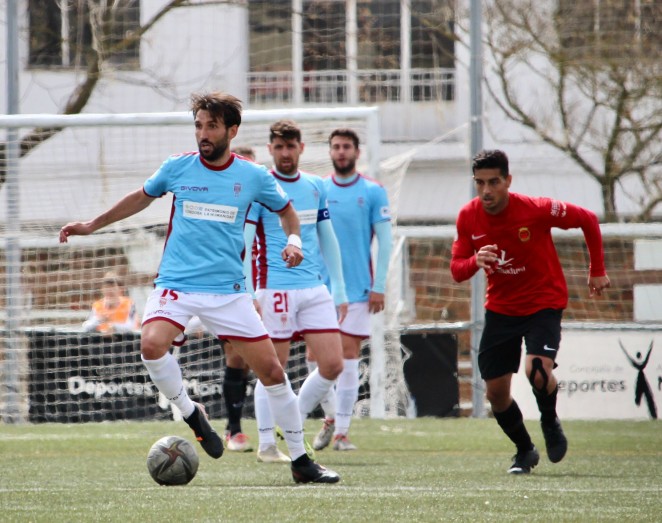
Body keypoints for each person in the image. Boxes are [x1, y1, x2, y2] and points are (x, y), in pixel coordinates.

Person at [59, 92, 340, 484]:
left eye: (211, 126)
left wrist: (294, 242)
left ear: (231, 130)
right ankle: (193, 414)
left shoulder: (253, 175)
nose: (203, 134)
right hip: (177, 283)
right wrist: (92, 224)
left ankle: (300, 461)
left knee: (273, 373)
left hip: (228, 291)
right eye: (198, 125)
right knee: (151, 345)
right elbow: (140, 198)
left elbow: (287, 212)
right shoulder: (178, 168)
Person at [450, 149, 610, 474]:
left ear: (508, 180)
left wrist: (597, 270)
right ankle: (525, 450)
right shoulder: (468, 216)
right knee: (496, 395)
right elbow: (456, 269)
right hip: (501, 309)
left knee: (536, 370)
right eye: (480, 183)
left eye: (494, 182)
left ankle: (549, 421)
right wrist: (474, 261)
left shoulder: (535, 209)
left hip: (543, 302)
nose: (487, 190)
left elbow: (588, 219)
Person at [243, 119, 348, 463]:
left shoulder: (317, 186)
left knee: (333, 364)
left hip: (314, 288)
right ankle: (267, 444)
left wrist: (340, 290)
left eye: (291, 146)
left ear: (301, 148)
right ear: (270, 150)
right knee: (273, 368)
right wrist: (250, 292)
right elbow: (245, 242)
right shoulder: (261, 187)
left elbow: (328, 240)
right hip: (275, 289)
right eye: (279, 147)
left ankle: (294, 422)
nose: (285, 153)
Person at [311, 128, 393, 452]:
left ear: (357, 152)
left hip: (358, 289)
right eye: (336, 147)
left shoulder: (373, 191)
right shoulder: (319, 189)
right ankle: (330, 416)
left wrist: (380, 286)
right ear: (329, 152)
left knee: (347, 357)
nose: (341, 151)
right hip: (320, 287)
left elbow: (385, 241)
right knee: (313, 358)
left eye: (346, 146)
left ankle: (342, 432)